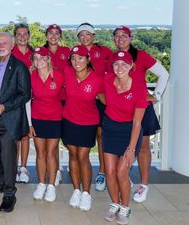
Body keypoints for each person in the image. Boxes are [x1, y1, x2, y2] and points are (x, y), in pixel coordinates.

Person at [113, 26, 169, 203]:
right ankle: (125, 179)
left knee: (143, 147)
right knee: (123, 146)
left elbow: (163, 74)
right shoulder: (113, 59)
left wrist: (156, 96)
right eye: (117, 36)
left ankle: (143, 185)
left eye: (124, 36)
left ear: (131, 38)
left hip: (142, 107)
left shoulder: (141, 55)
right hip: (122, 109)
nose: (120, 39)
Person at [0, 32, 31, 212]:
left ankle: (9, 193)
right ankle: (0, 182)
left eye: (5, 43)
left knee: (8, 158)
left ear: (12, 46)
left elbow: (25, 94)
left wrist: (5, 106)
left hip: (9, 119)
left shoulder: (19, 67)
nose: (1, 45)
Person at [102, 51, 147, 224]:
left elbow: (137, 123)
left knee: (122, 172)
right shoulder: (107, 80)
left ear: (131, 67)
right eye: (116, 64)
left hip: (130, 131)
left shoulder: (139, 87)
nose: (119, 68)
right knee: (110, 172)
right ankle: (114, 203)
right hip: (110, 128)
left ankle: (125, 207)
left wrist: (130, 148)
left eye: (124, 64)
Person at [63, 45, 104, 211]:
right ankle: (76, 190)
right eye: (73, 58)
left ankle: (86, 193)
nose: (76, 61)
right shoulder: (67, 74)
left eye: (80, 58)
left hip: (88, 123)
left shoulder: (98, 79)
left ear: (88, 60)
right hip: (69, 120)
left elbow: (107, 99)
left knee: (83, 155)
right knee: (73, 154)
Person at [76, 23, 113, 192]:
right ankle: (80, 166)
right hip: (84, 99)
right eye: (81, 35)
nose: (85, 38)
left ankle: (103, 172)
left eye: (87, 34)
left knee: (102, 136)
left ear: (93, 35)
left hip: (102, 99)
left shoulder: (104, 51)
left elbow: (116, 70)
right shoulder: (76, 53)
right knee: (85, 137)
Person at [28, 47, 64, 202]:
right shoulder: (31, 76)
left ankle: (51, 186)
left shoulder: (59, 75)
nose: (39, 61)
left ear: (48, 59)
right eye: (35, 58)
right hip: (37, 118)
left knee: (51, 153)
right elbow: (27, 101)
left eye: (42, 58)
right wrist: (29, 124)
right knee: (40, 152)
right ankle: (41, 183)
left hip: (55, 118)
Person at [44, 24, 71, 186]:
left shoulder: (66, 52)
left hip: (65, 100)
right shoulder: (40, 52)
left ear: (60, 36)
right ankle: (55, 170)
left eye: (56, 33)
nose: (53, 36)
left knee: (61, 138)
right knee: (50, 141)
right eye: (50, 33)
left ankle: (57, 168)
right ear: (46, 35)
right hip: (47, 101)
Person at [12, 22, 33, 183]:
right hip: (14, 99)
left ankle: (23, 168)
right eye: (18, 34)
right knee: (15, 135)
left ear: (29, 36)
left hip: (31, 99)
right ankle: (13, 167)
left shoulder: (35, 54)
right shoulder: (9, 54)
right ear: (14, 37)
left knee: (25, 134)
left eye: (24, 34)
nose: (22, 37)